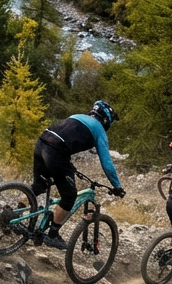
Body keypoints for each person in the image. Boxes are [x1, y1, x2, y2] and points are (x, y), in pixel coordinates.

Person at [31, 101, 125, 250]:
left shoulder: (77, 116)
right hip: (56, 151)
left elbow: (66, 137)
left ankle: (12, 214)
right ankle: (52, 235)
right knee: (69, 196)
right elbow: (107, 163)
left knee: (38, 186)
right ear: (106, 119)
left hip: (42, 142)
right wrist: (117, 186)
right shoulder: (99, 129)